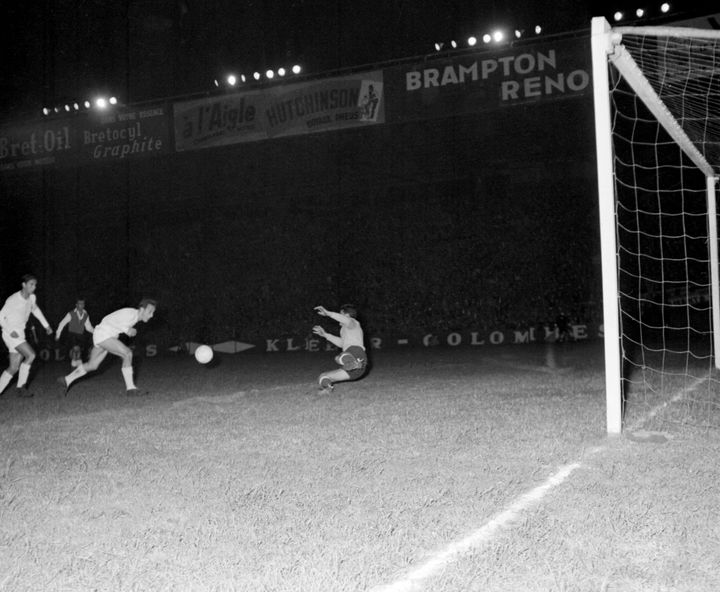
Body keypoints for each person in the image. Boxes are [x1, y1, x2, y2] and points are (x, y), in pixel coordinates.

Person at [59, 298, 157, 396]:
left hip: (101, 334)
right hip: (104, 335)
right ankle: (131, 389)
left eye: (153, 312)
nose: (151, 315)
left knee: (92, 365)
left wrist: (127, 329)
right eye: (150, 311)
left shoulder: (134, 316)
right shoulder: (131, 313)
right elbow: (115, 321)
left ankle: (66, 380)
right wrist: (127, 330)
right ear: (142, 309)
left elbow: (110, 319)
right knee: (127, 353)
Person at [0, 274, 54, 398]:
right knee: (31, 355)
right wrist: (9, 330)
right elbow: (0, 316)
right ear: (24, 285)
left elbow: (36, 311)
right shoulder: (13, 299)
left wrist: (46, 326)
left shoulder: (32, 298)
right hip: (11, 334)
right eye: (31, 284)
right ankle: (21, 387)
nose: (34, 287)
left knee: (13, 367)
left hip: (20, 333)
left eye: (35, 285)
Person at [312, 304, 367, 394]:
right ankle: (328, 389)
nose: (339, 316)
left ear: (347, 315)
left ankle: (354, 363)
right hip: (356, 371)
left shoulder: (354, 323)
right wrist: (325, 335)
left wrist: (328, 313)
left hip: (357, 354)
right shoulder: (345, 330)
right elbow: (342, 343)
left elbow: (347, 321)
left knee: (339, 358)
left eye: (340, 314)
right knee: (323, 377)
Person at [55, 298, 94, 367]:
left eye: (83, 304)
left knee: (79, 350)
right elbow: (62, 324)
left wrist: (96, 332)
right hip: (72, 334)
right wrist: (58, 334)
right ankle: (75, 362)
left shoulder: (86, 315)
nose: (81, 305)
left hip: (81, 335)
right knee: (76, 348)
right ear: (76, 305)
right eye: (79, 304)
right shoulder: (71, 313)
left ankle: (76, 363)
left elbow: (88, 327)